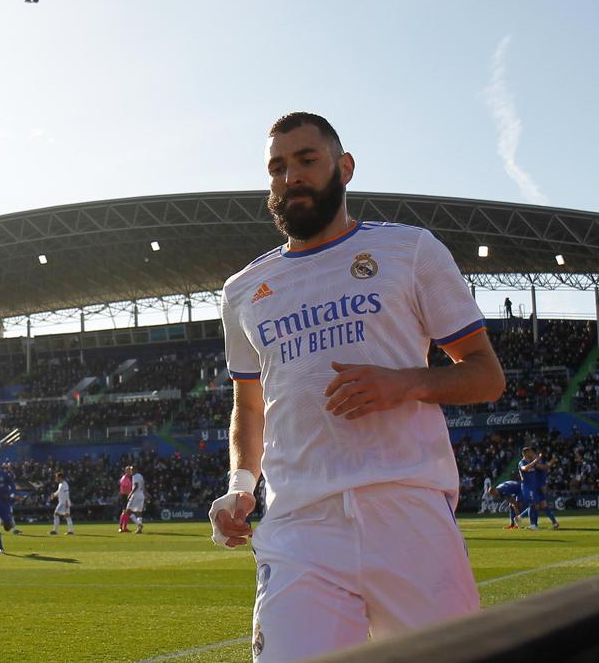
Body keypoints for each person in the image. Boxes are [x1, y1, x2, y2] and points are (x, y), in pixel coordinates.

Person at [210, 112, 506, 662]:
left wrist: (406, 383)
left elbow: (486, 375)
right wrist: (241, 482)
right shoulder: (243, 291)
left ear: (344, 168)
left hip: (408, 510)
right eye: (277, 168)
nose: (290, 177)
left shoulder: (409, 251)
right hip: (299, 525)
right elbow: (250, 404)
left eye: (306, 160)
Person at [517, 447, 559, 530]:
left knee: (542, 504)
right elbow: (525, 468)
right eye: (530, 452)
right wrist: (536, 460)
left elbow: (544, 467)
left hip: (536, 487)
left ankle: (535, 524)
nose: (532, 453)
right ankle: (533, 524)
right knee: (534, 504)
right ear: (526, 453)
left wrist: (552, 461)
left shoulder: (533, 463)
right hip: (528, 487)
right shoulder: (522, 462)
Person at [49, 471, 73, 535]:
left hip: (64, 502)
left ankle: (55, 530)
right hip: (63, 502)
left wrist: (67, 502)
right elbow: (58, 492)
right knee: (67, 516)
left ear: (60, 477)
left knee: (56, 514)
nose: (56, 479)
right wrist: (54, 495)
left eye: (57, 477)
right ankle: (71, 531)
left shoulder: (65, 484)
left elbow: (67, 493)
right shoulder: (60, 484)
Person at [124, 465, 146, 534]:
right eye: (130, 470)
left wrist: (130, 494)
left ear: (135, 470)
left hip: (135, 495)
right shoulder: (140, 475)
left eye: (132, 470)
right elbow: (143, 485)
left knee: (127, 511)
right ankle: (139, 529)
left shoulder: (135, 476)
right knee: (138, 512)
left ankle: (139, 524)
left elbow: (136, 486)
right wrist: (144, 494)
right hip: (141, 495)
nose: (131, 471)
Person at [117, 466, 134, 532]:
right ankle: (121, 527)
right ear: (126, 471)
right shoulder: (125, 478)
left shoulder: (128, 478)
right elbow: (124, 489)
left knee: (127, 512)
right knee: (124, 511)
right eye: (129, 470)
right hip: (125, 496)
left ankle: (124, 527)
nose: (130, 472)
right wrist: (130, 495)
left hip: (127, 496)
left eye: (130, 471)